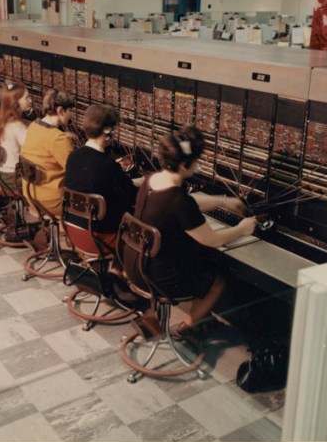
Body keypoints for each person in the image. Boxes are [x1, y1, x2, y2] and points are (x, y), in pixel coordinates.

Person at [129, 126, 255, 335]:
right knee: (217, 280)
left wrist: (222, 201)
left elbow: (186, 202)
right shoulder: (178, 201)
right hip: (157, 277)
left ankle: (198, 319)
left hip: (135, 265)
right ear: (184, 164)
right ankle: (188, 327)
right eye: (196, 161)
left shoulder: (151, 180)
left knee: (197, 261)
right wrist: (242, 229)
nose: (197, 166)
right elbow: (212, 240)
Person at [64, 103, 140, 246]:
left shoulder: (73, 156)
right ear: (107, 131)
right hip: (99, 238)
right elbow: (130, 196)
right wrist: (147, 183)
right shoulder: (108, 165)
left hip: (71, 229)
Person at [20, 89, 76, 217]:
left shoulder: (34, 125)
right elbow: (74, 172)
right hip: (52, 201)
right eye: (70, 111)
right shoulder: (59, 139)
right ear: (61, 110)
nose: (71, 115)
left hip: (30, 193)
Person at [0, 82, 33, 204]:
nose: (31, 100)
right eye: (27, 98)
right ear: (16, 103)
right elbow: (32, 148)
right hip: (14, 179)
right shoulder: (17, 126)